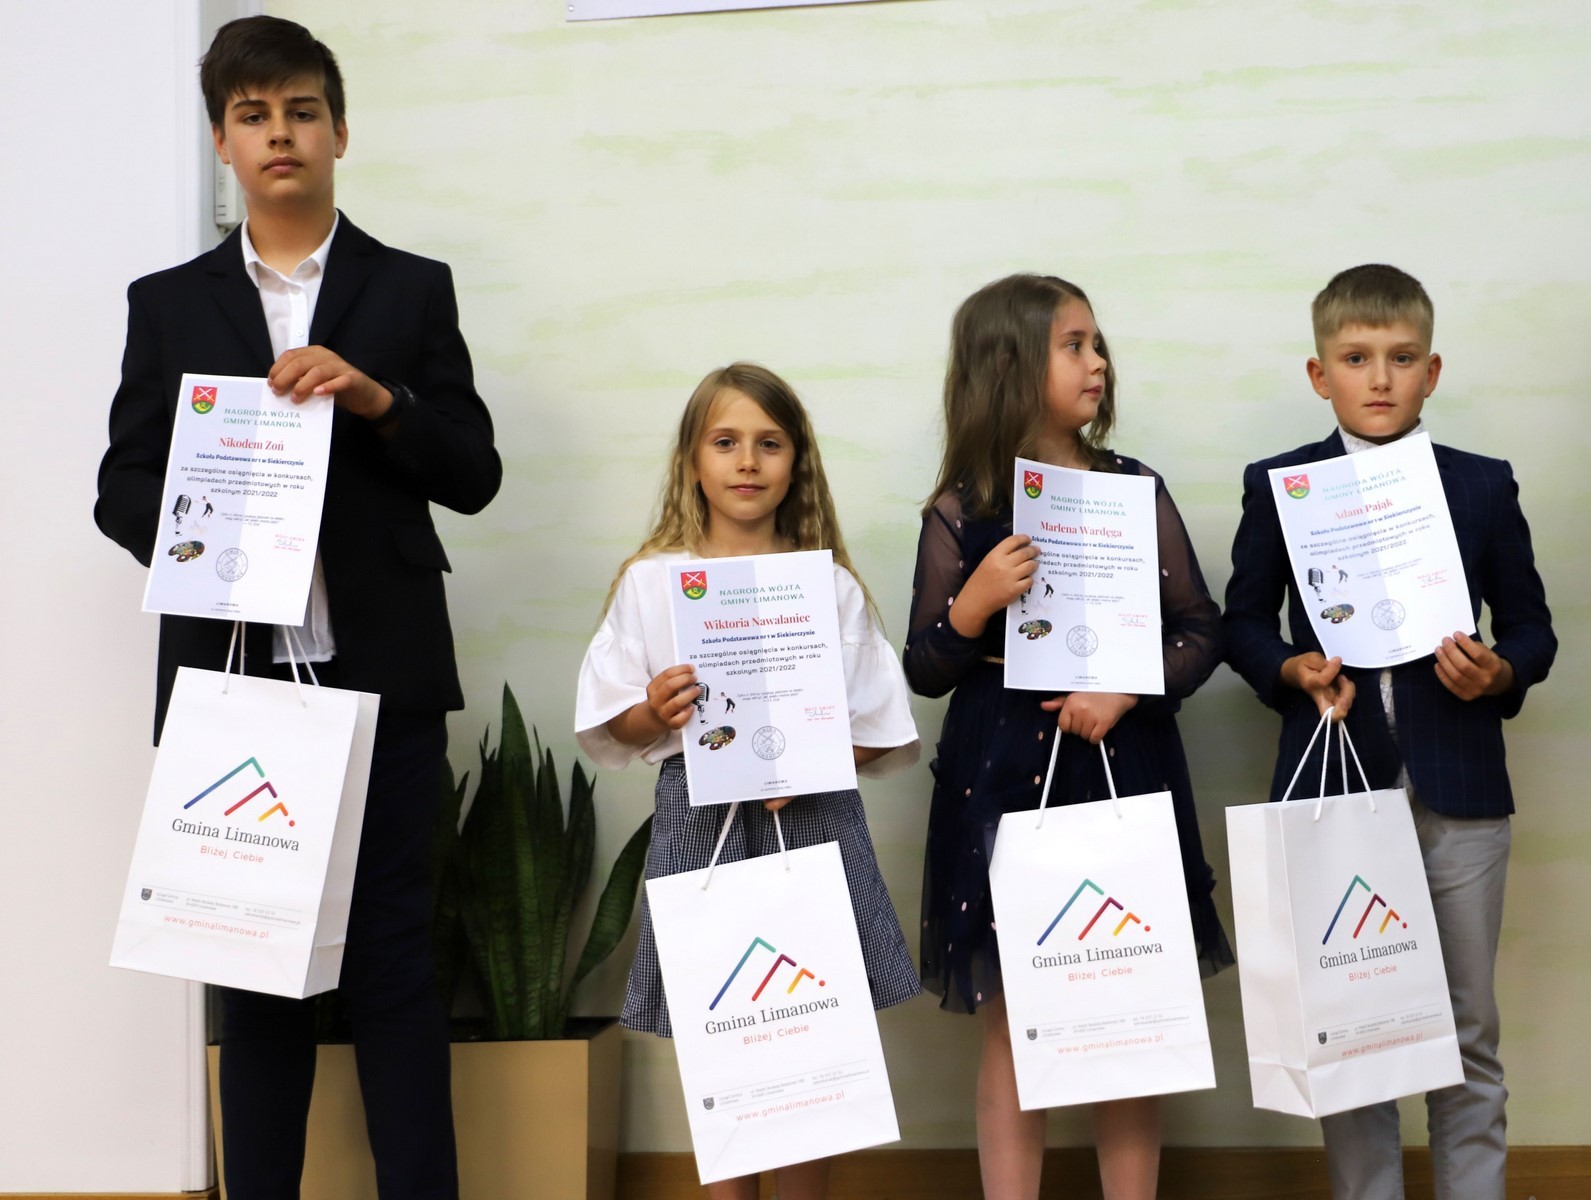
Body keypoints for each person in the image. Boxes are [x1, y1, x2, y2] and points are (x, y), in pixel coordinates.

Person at [93, 17, 500, 1199]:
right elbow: (122, 488)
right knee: (252, 977)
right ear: (222, 143)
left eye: (303, 111)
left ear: (340, 131)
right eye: (254, 114)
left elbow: (473, 473)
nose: (281, 133)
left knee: (394, 967)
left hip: (383, 677)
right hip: (232, 686)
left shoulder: (411, 288)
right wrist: (204, 541)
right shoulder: (167, 304)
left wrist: (379, 400)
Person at [1223, 263, 1555, 1200]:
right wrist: (1288, 668)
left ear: (1431, 371)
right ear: (1317, 373)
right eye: (1355, 358)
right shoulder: (1279, 485)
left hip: (1461, 792)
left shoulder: (1480, 486)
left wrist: (1500, 670)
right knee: (1352, 1029)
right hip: (1333, 788)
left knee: (1466, 1028)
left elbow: (1531, 628)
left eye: (1401, 358)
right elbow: (1241, 622)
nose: (1378, 378)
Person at [904, 274, 1233, 1200]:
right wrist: (971, 607)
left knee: (1129, 1016)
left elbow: (1199, 630)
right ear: (1009, 365)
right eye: (1073, 345)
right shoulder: (960, 510)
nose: (1098, 362)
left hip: (1123, 762)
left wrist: (1125, 691)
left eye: (1097, 344)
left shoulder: (1132, 488)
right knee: (1016, 1020)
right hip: (1000, 775)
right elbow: (923, 667)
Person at [575, 362, 920, 1200]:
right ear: (691, 461)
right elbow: (612, 724)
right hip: (700, 824)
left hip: (814, 824)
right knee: (724, 1035)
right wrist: (653, 712)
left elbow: (877, 730)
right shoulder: (652, 582)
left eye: (769, 444)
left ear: (796, 463)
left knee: (813, 1039)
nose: (746, 462)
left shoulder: (828, 586)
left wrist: (811, 760)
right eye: (724, 442)